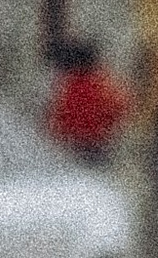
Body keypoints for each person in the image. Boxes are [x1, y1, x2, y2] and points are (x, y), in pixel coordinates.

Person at [42, 34, 132, 165]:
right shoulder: (103, 84)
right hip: (101, 145)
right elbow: (120, 110)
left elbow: (54, 120)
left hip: (72, 149)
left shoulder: (65, 87)